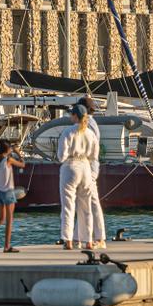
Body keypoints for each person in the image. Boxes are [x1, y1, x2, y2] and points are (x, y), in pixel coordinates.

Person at [57, 103, 96, 250]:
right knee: (86, 207)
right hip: (86, 167)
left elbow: (61, 156)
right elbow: (94, 155)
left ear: (74, 116)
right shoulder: (90, 133)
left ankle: (68, 241)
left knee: (68, 206)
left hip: (71, 166)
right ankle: (88, 241)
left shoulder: (68, 132)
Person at [73, 97, 107, 249]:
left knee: (93, 203)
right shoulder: (87, 124)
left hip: (88, 168)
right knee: (82, 202)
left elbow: (89, 149)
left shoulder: (89, 126)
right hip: (86, 167)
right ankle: (76, 237)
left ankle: (100, 238)